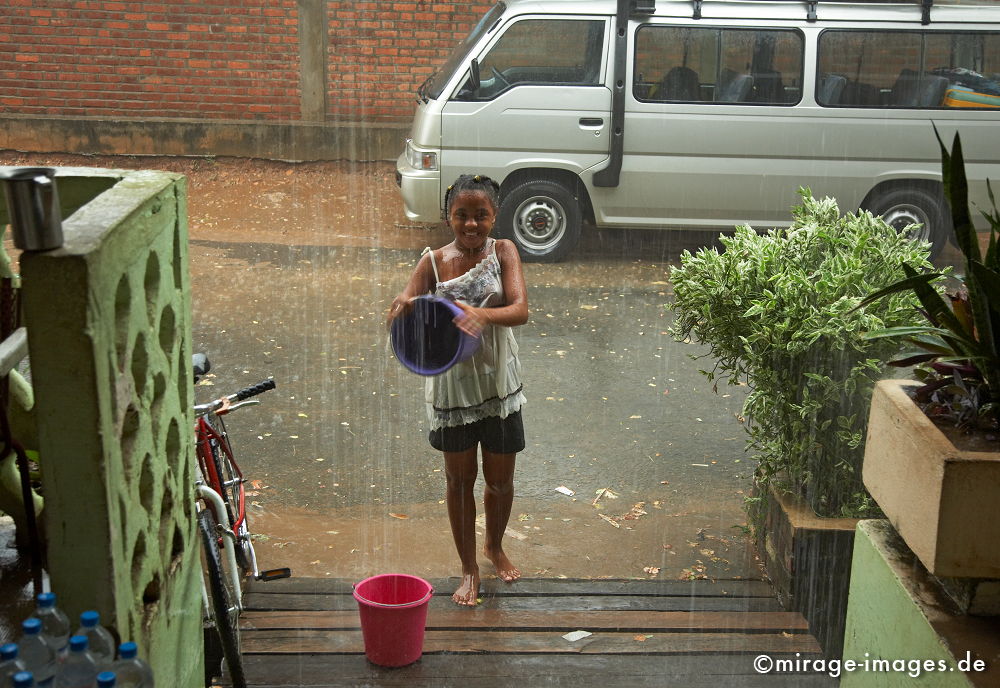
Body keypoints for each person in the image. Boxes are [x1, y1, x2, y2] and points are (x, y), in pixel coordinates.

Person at [387, 174, 528, 606]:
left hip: (499, 383)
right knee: (458, 480)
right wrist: (399, 308)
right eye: (461, 215)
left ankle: (494, 547)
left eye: (480, 215)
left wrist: (485, 317)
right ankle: (469, 567)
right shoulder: (431, 262)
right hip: (452, 389)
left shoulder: (504, 251)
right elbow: (404, 309)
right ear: (448, 216)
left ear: (494, 216)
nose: (471, 225)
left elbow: (520, 310)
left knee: (500, 483)